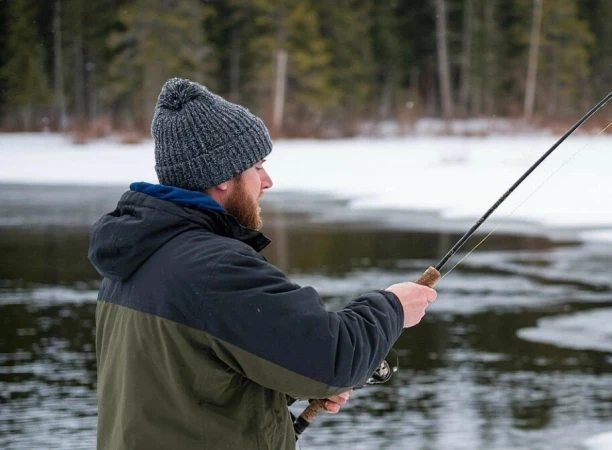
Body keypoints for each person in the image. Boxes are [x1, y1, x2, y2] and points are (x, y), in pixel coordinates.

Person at [88, 78, 437, 450]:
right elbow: (334, 358)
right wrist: (393, 306)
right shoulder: (216, 269)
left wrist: (286, 393)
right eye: (257, 166)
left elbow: (186, 385)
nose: (267, 181)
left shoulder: (132, 262)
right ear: (221, 177)